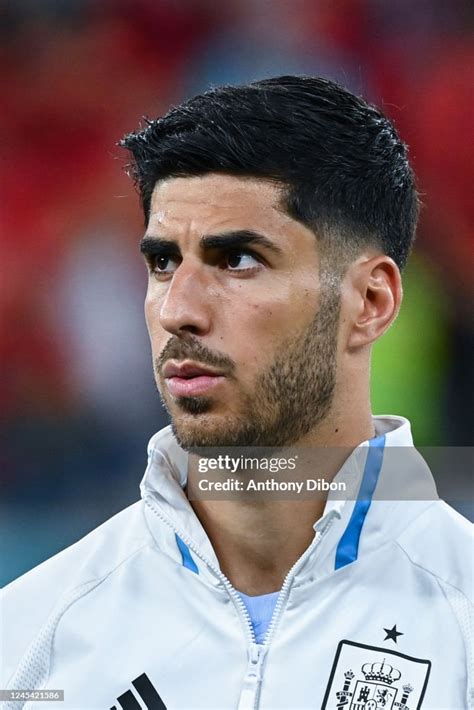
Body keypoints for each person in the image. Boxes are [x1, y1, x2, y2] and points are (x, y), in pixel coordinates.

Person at [1, 76, 472, 710]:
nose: (178, 310)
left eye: (238, 260)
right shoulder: (29, 639)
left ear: (369, 301)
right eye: (163, 262)